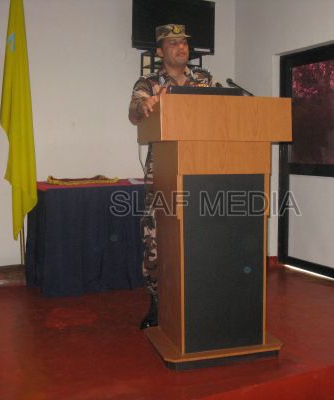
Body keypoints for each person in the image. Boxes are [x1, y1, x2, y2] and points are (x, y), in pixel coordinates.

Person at [128, 24, 213, 329]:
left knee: (199, 236)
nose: (181, 47)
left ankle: (197, 299)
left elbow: (219, 113)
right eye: (173, 43)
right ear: (160, 51)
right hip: (162, 173)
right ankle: (156, 301)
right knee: (156, 239)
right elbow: (134, 112)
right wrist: (146, 104)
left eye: (184, 42)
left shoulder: (204, 79)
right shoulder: (149, 82)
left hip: (201, 168)